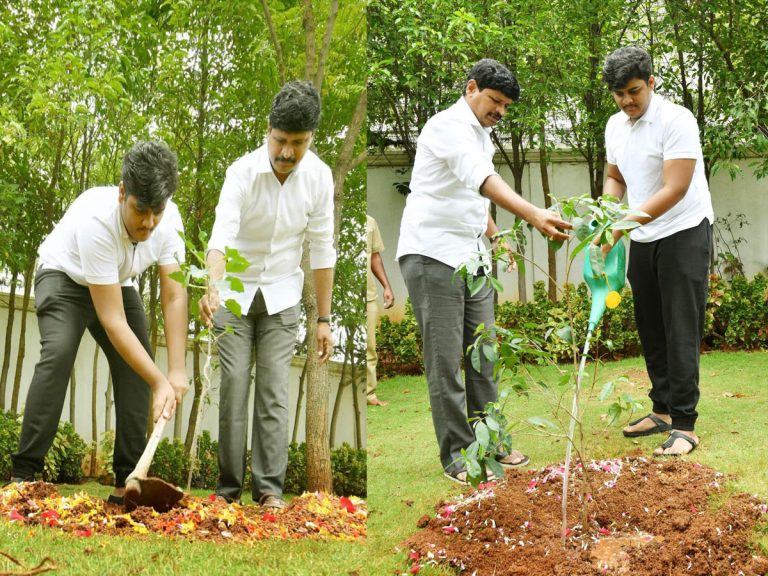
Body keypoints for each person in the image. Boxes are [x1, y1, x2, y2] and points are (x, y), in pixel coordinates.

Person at [396, 59, 571, 485]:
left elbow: (473, 198)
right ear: (471, 88)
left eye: (506, 106)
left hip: (472, 258)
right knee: (445, 362)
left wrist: (495, 236)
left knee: (484, 355)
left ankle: (491, 443)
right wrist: (532, 214)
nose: (500, 112)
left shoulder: (482, 134)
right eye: (495, 101)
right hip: (432, 254)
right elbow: (481, 179)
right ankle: (458, 456)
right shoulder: (446, 126)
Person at [10, 141, 188, 503]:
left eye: (158, 211)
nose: (149, 222)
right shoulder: (96, 221)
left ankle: (128, 483)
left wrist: (177, 370)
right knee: (59, 352)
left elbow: (174, 294)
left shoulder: (168, 222)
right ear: (123, 193)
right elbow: (112, 320)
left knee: (138, 368)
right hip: (64, 277)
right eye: (141, 210)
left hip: (116, 282)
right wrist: (158, 380)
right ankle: (22, 477)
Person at [199, 81, 335, 509]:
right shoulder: (241, 172)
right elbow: (221, 235)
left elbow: (322, 247)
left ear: (311, 138)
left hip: (282, 296)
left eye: (299, 143)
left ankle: (270, 491)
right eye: (281, 141)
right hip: (234, 295)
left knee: (275, 392)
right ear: (268, 130)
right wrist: (213, 286)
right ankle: (226, 490)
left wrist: (324, 320)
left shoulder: (319, 177)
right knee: (235, 386)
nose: (288, 153)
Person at [601, 46, 713, 456]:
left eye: (633, 91)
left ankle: (685, 423)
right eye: (618, 94)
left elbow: (675, 187)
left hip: (684, 231)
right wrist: (605, 215)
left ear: (651, 82)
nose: (627, 101)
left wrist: (620, 225)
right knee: (651, 326)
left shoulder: (676, 119)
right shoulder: (615, 126)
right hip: (644, 238)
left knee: (680, 327)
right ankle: (662, 410)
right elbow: (615, 178)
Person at [366, 215, 395, 407]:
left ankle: (369, 395)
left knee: (370, 347)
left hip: (368, 296)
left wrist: (386, 286)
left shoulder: (370, 222)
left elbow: (375, 256)